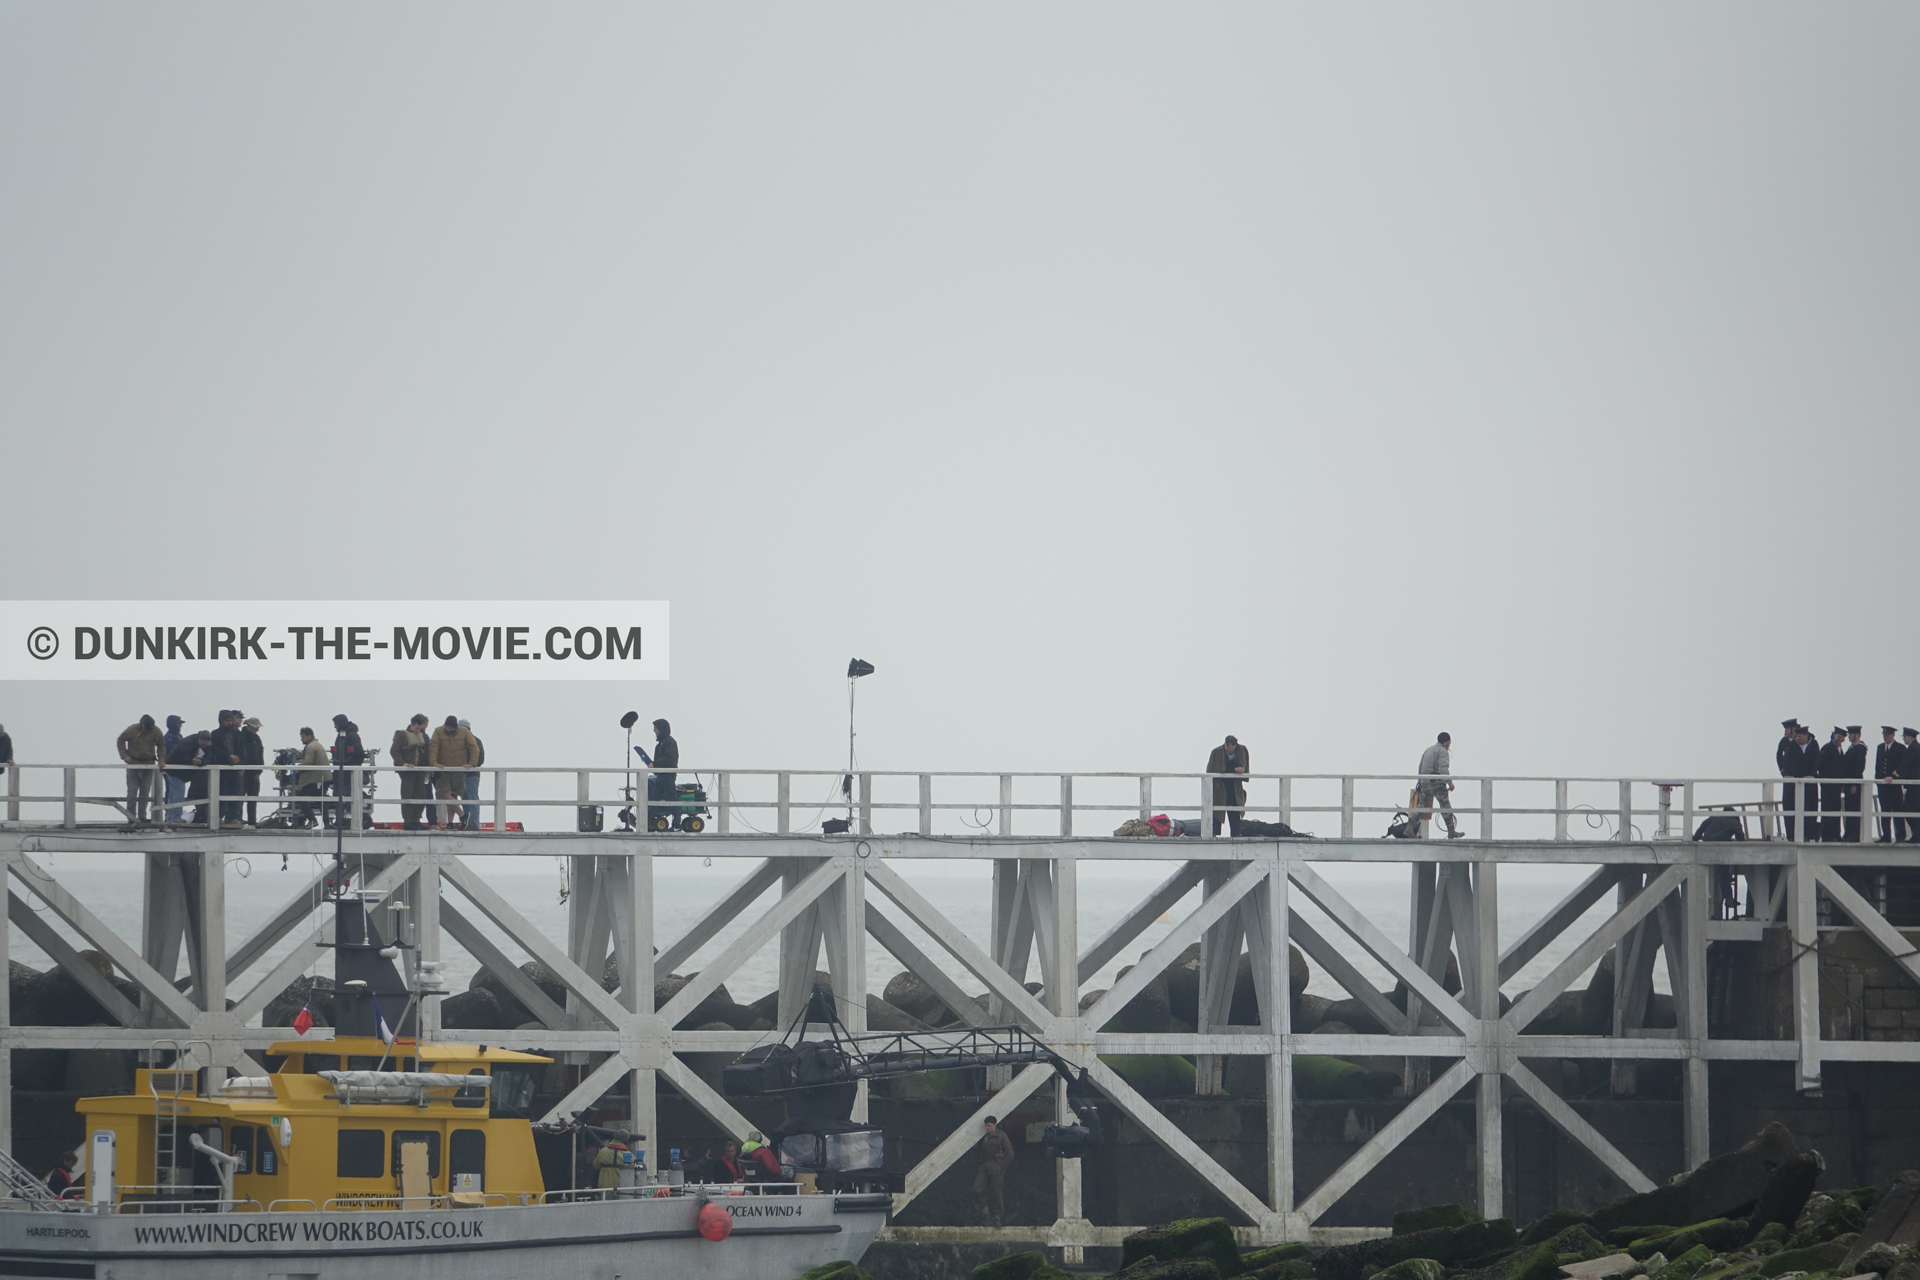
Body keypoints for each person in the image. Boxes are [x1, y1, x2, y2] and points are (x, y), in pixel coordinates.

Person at [429, 716, 481, 830]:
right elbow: (433, 747)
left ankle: (450, 823)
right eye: (446, 726)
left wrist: (472, 763)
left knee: (453, 796)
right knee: (444, 794)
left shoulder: (464, 732)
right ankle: (463, 815)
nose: (448, 729)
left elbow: (474, 748)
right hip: (443, 770)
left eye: (450, 727)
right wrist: (434, 763)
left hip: (458, 770)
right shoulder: (438, 731)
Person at [116, 714, 167, 823]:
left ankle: (142, 816)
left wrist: (161, 759)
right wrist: (124, 755)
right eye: (147, 728)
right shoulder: (132, 730)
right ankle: (131, 817)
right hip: (133, 763)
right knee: (132, 790)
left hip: (149, 763)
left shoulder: (157, 731)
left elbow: (162, 745)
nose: (149, 731)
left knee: (145, 791)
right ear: (142, 725)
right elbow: (120, 740)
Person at [1414, 733, 1463, 839]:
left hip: (1425, 782)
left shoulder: (1428, 750)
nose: (1450, 743)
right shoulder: (1443, 751)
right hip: (1437, 783)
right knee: (1445, 806)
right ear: (1446, 741)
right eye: (1450, 741)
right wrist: (1449, 782)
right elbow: (1443, 769)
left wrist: (1420, 781)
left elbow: (1420, 767)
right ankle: (1451, 831)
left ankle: (1409, 828)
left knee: (1421, 806)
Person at [392, 714, 433, 829]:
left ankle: (416, 819)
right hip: (407, 771)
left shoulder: (422, 736)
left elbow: (425, 753)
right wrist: (403, 764)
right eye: (416, 728)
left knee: (421, 795)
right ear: (412, 724)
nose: (418, 731)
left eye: (420, 728)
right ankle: (408, 821)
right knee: (407, 794)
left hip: (419, 770)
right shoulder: (402, 736)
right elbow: (394, 751)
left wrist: (428, 768)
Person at [973, 1115, 1014, 1227]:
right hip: (985, 1165)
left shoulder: (1001, 1136)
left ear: (995, 1125)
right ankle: (986, 1214)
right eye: (986, 1126)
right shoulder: (985, 1137)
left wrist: (1001, 1166)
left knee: (996, 1191)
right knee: (977, 1189)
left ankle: (997, 1216)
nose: (987, 1128)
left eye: (989, 1125)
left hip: (996, 1166)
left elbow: (1010, 1154)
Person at [1781, 723, 1820, 840]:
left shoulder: (1813, 745)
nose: (1797, 738)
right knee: (1791, 808)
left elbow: (1816, 761)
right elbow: (1786, 761)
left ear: (1805, 736)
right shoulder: (1792, 745)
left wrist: (1812, 775)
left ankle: (1809, 835)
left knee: (1809, 809)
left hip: (1809, 784)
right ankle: (1792, 836)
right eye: (1796, 736)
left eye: (1799, 736)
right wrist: (1786, 774)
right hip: (1794, 784)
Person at [1205, 736, 1250, 836]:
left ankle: (1236, 835)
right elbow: (1214, 769)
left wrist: (1238, 771)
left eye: (1229, 745)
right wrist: (1234, 769)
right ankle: (1213, 834)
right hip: (1220, 786)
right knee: (1217, 812)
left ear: (1234, 745)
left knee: (1234, 812)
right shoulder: (1216, 752)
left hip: (1234, 787)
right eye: (1226, 744)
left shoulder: (1241, 751)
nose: (1227, 747)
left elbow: (1244, 769)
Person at [209, 709, 245, 825]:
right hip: (222, 769)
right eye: (226, 720)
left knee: (236, 792)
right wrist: (228, 756)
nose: (229, 723)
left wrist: (238, 758)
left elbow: (243, 749)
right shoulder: (215, 734)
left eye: (230, 720)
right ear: (221, 721)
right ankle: (219, 816)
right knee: (222, 792)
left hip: (234, 769)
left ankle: (234, 817)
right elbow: (214, 750)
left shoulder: (237, 734)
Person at [328, 714, 365, 828]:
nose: (335, 727)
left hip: (348, 775)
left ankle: (348, 821)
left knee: (348, 798)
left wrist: (350, 764)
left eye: (336, 724)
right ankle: (339, 821)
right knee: (337, 797)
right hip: (340, 774)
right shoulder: (341, 736)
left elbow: (360, 755)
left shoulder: (352, 736)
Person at [170, 729, 213, 825]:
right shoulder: (187, 742)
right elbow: (179, 757)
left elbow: (209, 758)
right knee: (178, 792)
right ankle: (175, 817)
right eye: (203, 743)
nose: (205, 745)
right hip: (175, 771)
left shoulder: (208, 746)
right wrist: (191, 761)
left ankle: (171, 817)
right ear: (199, 739)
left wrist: (201, 762)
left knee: (174, 793)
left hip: (186, 774)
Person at [1875, 726, 1907, 843]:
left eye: (1887, 735)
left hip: (1894, 785)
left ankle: (1900, 836)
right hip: (1883, 786)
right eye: (1884, 735)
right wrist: (1878, 780)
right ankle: (1886, 835)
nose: (1885, 737)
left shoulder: (1900, 748)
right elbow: (1878, 766)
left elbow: (1901, 767)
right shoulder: (1880, 748)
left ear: (1893, 735)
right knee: (1885, 810)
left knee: (1897, 809)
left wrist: (1893, 777)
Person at [647, 719, 679, 830]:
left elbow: (670, 759)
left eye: (655, 728)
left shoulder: (669, 742)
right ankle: (646, 822)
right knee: (653, 799)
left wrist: (655, 763)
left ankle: (676, 825)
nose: (654, 730)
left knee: (672, 799)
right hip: (660, 776)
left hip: (668, 776)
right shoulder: (661, 744)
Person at [294, 727, 329, 828]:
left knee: (302, 798)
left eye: (303, 737)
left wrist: (297, 769)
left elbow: (308, 762)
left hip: (318, 779)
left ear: (310, 736)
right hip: (324, 778)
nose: (301, 739)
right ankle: (327, 823)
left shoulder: (311, 747)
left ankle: (312, 819)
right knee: (320, 799)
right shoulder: (316, 745)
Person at [1817, 727, 1847, 843]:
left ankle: (1836, 833)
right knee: (1827, 808)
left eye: (1842, 737)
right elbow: (1821, 764)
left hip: (1836, 785)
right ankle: (1827, 834)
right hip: (1828, 785)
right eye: (1839, 737)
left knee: (1836, 808)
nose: (1841, 740)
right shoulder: (1828, 748)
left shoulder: (1839, 750)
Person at [1843, 726, 1868, 843]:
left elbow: (1859, 767)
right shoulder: (1852, 748)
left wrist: (1855, 784)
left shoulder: (1860, 749)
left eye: (1851, 734)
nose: (1849, 736)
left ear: (1857, 735)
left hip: (1854, 783)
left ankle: (1854, 834)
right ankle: (1848, 833)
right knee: (1848, 808)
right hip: (1848, 782)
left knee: (1854, 808)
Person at [239, 716, 265, 826]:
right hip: (244, 773)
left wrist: (260, 768)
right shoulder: (241, 737)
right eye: (256, 727)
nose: (257, 729)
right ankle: (238, 819)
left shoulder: (257, 739)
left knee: (253, 798)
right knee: (240, 796)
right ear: (249, 726)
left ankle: (252, 821)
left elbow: (260, 753)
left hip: (255, 773)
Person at [459, 719, 484, 829]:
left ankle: (473, 823)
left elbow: (481, 758)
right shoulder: (458, 741)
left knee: (472, 798)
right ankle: (467, 822)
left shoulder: (476, 741)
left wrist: (471, 764)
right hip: (460, 774)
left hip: (472, 775)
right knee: (465, 799)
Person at [162, 714, 186, 821]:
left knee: (172, 792)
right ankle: (172, 816)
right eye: (178, 723)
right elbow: (176, 752)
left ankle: (170, 816)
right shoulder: (168, 738)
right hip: (171, 770)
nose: (180, 726)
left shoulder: (178, 737)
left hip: (178, 770)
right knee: (172, 792)